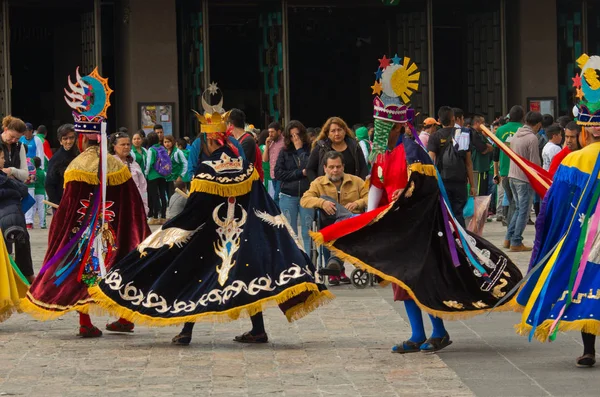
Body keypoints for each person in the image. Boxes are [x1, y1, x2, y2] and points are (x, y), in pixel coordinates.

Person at [88, 107, 333, 346]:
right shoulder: (244, 167)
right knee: (248, 276)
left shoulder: (207, 170)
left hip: (208, 236)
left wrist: (169, 230)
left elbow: (195, 211)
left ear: (208, 140)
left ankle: (186, 331)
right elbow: (262, 203)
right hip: (243, 233)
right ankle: (258, 329)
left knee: (192, 276)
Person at [21, 66, 150, 337]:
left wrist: (59, 233)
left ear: (81, 138)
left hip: (84, 233)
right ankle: (124, 318)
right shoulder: (118, 165)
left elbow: (68, 208)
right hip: (114, 231)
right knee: (119, 267)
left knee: (83, 272)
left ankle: (85, 323)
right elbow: (134, 207)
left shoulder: (77, 166)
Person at [515, 53, 600, 368]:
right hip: (587, 234)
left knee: (580, 286)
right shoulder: (573, 160)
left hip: (582, 235)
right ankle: (588, 349)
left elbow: (555, 203)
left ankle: (588, 349)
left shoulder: (574, 161)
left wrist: (552, 232)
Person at [301, 151, 368, 285]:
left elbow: (369, 197)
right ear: (325, 168)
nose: (335, 170)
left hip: (354, 225)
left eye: (338, 166)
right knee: (325, 198)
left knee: (345, 223)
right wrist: (322, 203)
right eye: (331, 167)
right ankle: (337, 264)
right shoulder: (318, 183)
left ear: (343, 166)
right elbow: (305, 200)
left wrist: (357, 203)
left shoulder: (356, 181)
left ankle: (335, 263)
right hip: (330, 223)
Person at [427, 106, 476, 228]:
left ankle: (446, 240)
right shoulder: (464, 134)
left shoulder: (435, 137)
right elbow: (468, 162)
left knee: (445, 212)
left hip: (443, 181)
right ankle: (460, 239)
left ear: (439, 120)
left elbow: (430, 161)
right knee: (458, 212)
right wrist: (472, 185)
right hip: (460, 180)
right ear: (453, 118)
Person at [504, 111, 542, 252]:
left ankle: (509, 238)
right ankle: (516, 241)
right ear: (538, 124)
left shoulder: (516, 135)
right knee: (524, 212)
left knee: (518, 209)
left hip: (512, 175)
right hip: (524, 179)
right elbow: (535, 163)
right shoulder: (532, 138)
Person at [274, 120, 314, 255]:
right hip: (288, 195)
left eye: (297, 135)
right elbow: (278, 173)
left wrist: (299, 149)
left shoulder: (310, 150)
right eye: (291, 136)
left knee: (307, 231)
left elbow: (309, 168)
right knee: (291, 232)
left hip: (307, 195)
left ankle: (309, 262)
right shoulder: (284, 152)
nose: (295, 138)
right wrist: (298, 173)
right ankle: (293, 261)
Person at [0, 145, 34, 284]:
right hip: (6, 218)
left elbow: (24, 189)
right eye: (1, 158)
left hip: (10, 216)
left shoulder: (4, 176)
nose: (4, 161)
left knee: (19, 243)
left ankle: (21, 277)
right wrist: (13, 192)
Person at [306, 117, 369, 182]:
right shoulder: (321, 147)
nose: (337, 134)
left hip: (352, 189)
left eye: (339, 130)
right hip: (327, 189)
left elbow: (363, 168)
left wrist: (360, 186)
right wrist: (318, 186)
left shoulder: (354, 146)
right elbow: (310, 169)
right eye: (333, 131)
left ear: (344, 131)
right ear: (328, 134)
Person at [494, 106, 524, 226]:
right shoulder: (523, 129)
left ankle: (510, 230)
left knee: (512, 200)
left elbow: (495, 154)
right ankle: (512, 231)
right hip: (521, 172)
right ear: (522, 116)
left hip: (505, 171)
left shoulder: (500, 130)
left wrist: (496, 173)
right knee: (518, 203)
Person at [111, 131, 149, 215]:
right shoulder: (109, 164)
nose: (126, 147)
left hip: (135, 207)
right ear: (114, 146)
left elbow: (143, 188)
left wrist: (144, 207)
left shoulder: (134, 164)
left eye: (128, 144)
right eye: (123, 144)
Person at [45, 124, 78, 208]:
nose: (69, 141)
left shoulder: (80, 154)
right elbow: (49, 184)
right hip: (62, 204)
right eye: (65, 139)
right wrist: (57, 205)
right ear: (60, 141)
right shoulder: (56, 159)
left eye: (71, 138)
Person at [144, 132, 169, 225]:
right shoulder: (162, 148)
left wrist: (146, 174)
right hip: (162, 175)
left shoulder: (151, 149)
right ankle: (163, 216)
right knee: (163, 195)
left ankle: (154, 217)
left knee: (154, 196)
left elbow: (150, 162)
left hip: (153, 175)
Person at [1, 116, 29, 182]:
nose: (14, 140)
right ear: (5, 130)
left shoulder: (20, 146)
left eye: (17, 138)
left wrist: (12, 170)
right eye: (12, 136)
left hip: (17, 188)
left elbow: (25, 175)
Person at [262, 122, 285, 205]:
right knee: (278, 197)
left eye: (272, 132)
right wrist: (267, 146)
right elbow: (265, 160)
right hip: (273, 175)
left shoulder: (285, 142)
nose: (270, 134)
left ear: (279, 132)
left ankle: (278, 216)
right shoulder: (271, 142)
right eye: (269, 132)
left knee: (277, 198)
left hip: (281, 175)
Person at [31, 157, 47, 229]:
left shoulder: (31, 173)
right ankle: (42, 224)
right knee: (42, 209)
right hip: (41, 192)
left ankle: (31, 223)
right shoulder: (43, 172)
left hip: (33, 191)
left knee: (33, 208)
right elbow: (46, 183)